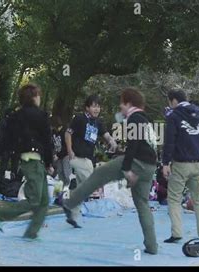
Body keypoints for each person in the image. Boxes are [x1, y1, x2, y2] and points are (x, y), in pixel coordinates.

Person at [60, 88, 158, 254]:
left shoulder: (134, 118)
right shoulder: (146, 120)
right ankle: (152, 246)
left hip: (136, 162)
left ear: (128, 103)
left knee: (99, 174)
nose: (120, 107)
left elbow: (134, 145)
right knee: (142, 204)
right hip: (149, 166)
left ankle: (69, 202)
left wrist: (127, 169)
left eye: (121, 103)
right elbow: (149, 145)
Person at [0, 84, 54, 240]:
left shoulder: (15, 116)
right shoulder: (41, 116)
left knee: (44, 201)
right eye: (38, 95)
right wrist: (49, 162)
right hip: (34, 161)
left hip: (29, 160)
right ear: (33, 97)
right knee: (34, 200)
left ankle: (31, 233)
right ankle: (1, 214)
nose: (40, 98)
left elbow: (5, 139)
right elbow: (48, 141)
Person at [161, 90, 199, 243]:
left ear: (174, 100)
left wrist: (165, 163)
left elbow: (169, 141)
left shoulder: (174, 116)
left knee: (174, 199)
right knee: (198, 199)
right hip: (198, 163)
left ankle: (177, 233)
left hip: (181, 164)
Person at [64, 94, 117, 227]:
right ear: (87, 107)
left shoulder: (98, 122)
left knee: (83, 188)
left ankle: (73, 216)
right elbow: (68, 133)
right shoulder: (79, 119)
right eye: (94, 106)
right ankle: (67, 203)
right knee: (91, 183)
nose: (96, 109)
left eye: (98, 106)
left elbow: (106, 135)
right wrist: (70, 150)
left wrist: (112, 142)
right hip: (77, 158)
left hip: (88, 159)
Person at [0, 107, 20, 181]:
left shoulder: (2, 122)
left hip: (5, 147)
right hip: (15, 147)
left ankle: (1, 180)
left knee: (4, 164)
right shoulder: (18, 122)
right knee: (14, 165)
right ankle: (13, 180)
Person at [51, 114, 72, 186]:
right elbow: (52, 144)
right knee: (60, 172)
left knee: (66, 172)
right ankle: (62, 189)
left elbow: (66, 146)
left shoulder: (64, 131)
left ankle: (68, 187)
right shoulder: (53, 132)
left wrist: (58, 155)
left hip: (65, 155)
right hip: (58, 155)